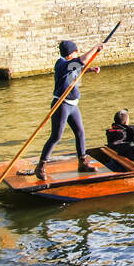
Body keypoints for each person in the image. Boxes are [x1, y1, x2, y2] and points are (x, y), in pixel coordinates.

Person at [23, 40, 99, 182]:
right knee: (56, 136)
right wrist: (95, 48)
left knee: (80, 132)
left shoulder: (69, 64)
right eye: (76, 51)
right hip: (61, 105)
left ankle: (82, 162)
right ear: (71, 53)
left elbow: (76, 70)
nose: (78, 53)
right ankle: (40, 166)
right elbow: (81, 60)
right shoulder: (61, 63)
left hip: (73, 104)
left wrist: (89, 70)